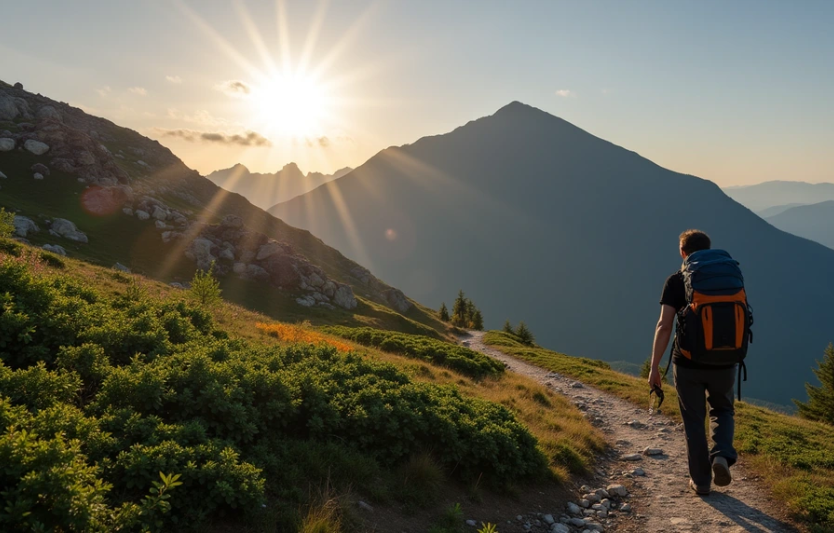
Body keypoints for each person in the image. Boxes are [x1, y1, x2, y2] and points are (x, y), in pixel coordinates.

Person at [648, 229, 737, 496]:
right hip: (725, 359)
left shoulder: (677, 280)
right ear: (708, 250)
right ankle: (721, 455)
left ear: (683, 252)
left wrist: (654, 367)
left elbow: (665, 325)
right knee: (722, 409)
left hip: (687, 363)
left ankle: (700, 481)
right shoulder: (729, 278)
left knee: (694, 420)